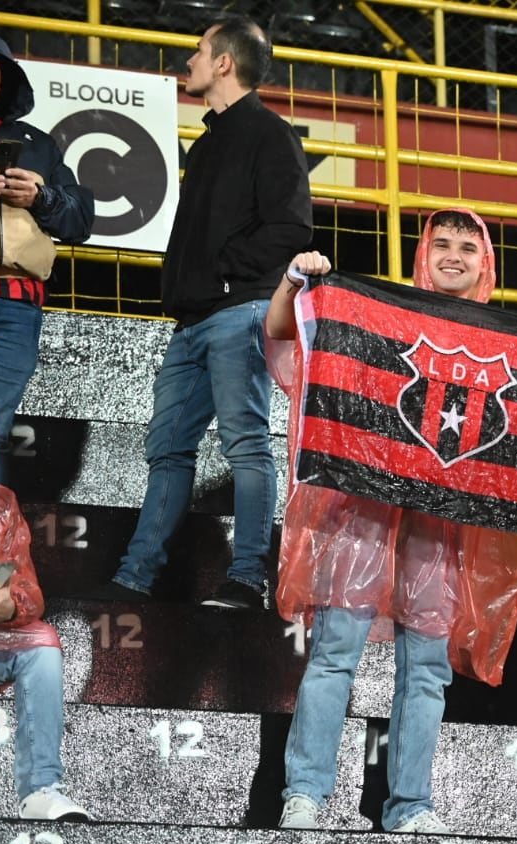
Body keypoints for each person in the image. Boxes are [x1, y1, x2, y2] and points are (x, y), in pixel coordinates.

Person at [271, 211, 517, 833]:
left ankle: (410, 806)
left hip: (441, 529)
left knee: (427, 671)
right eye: (441, 243)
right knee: (335, 654)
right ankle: (304, 795)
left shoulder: (512, 339)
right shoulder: (380, 313)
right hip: (364, 514)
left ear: (484, 264)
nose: (453, 255)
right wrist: (293, 280)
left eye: (468, 247)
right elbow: (286, 330)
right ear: (423, 253)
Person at [93, 15, 312, 607]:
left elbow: (292, 228)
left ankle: (247, 578)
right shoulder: (209, 142)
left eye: (197, 51)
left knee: (245, 444)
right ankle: (134, 579)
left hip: (239, 313)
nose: (186, 61)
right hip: (191, 323)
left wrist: (226, 265)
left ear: (222, 63)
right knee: (167, 447)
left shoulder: (271, 135)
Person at [0, 32, 94, 486]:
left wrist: (40, 196)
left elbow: (80, 220)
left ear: (4, 81)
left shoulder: (39, 145)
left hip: (16, 307)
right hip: (14, 311)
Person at [0, 415, 92, 822]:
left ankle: (41, 790)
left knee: (42, 643)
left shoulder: (1, 507)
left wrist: (11, 605)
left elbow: (27, 589)